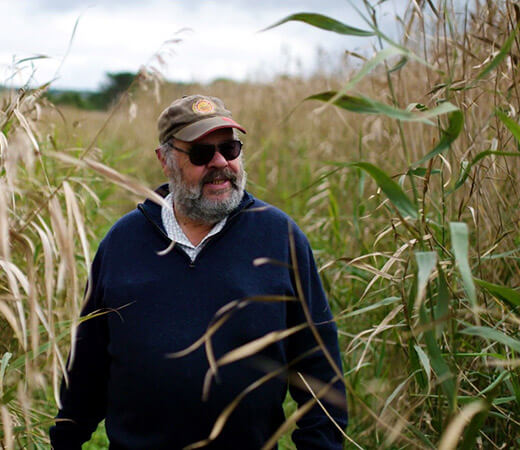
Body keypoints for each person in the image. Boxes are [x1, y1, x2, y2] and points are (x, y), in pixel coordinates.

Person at [49, 95, 348, 449]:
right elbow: (87, 369)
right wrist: (66, 440)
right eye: (201, 154)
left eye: (230, 148)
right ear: (165, 161)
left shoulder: (279, 237)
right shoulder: (122, 243)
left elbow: (319, 373)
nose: (220, 162)